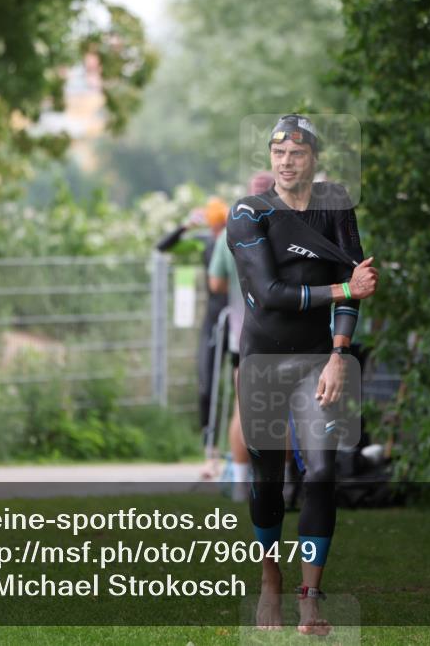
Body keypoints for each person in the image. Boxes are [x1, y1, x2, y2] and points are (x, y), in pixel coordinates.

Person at [227, 114, 379, 634]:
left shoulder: (335, 206)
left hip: (318, 361)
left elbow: (352, 277)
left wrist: (340, 354)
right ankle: (269, 574)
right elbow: (271, 294)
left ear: (313, 158)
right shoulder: (249, 212)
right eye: (278, 154)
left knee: (321, 472)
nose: (286, 162)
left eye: (297, 154)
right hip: (264, 362)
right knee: (268, 483)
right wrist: (345, 291)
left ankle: (310, 596)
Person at [206, 172, 274, 494]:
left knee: (242, 407)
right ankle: (283, 487)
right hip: (281, 332)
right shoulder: (287, 229)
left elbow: (215, 283)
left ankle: (239, 485)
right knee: (281, 407)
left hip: (241, 334)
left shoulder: (229, 232)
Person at [156, 197, 230, 443]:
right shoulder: (204, 243)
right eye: (214, 225)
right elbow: (164, 246)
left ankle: (242, 443)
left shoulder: (239, 241)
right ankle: (208, 440)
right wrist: (186, 226)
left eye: (219, 225)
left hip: (239, 316)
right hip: (213, 318)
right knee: (206, 382)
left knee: (245, 383)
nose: (216, 230)